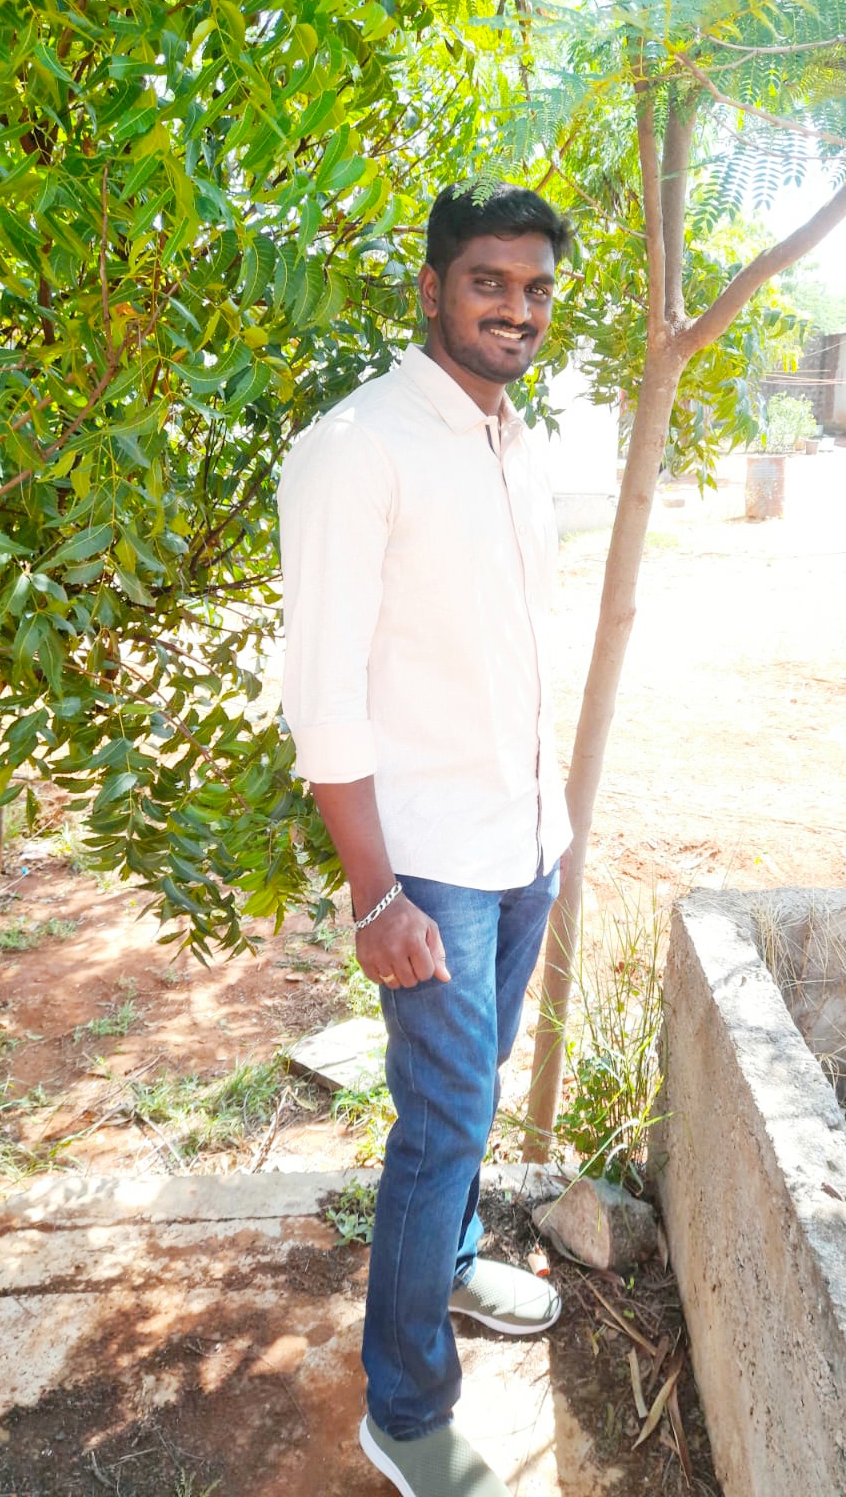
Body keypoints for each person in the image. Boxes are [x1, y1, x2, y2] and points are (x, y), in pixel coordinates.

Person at [277, 181, 574, 1497]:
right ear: (434, 290)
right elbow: (323, 693)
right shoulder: (360, 448)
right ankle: (404, 1410)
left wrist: (549, 826)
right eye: (488, 282)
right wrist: (373, 893)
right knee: (444, 1123)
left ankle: (447, 1268)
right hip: (430, 865)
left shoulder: (515, 443)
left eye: (535, 287)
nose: (515, 308)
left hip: (524, 840)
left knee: (472, 1095)